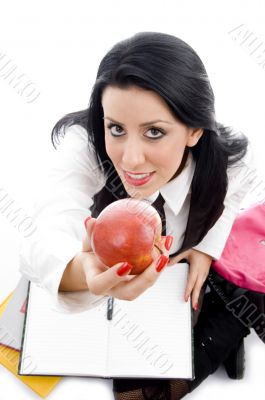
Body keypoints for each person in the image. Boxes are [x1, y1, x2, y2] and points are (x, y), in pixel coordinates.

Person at [19, 32, 258, 399]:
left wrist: (206, 248)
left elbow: (237, 186)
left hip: (172, 286)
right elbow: (46, 230)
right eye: (116, 128)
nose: (130, 160)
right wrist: (84, 272)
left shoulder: (227, 157)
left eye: (154, 132)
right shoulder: (83, 145)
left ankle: (230, 320)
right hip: (113, 296)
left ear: (194, 130)